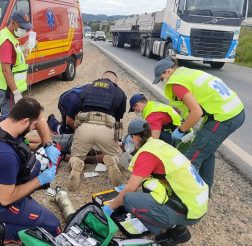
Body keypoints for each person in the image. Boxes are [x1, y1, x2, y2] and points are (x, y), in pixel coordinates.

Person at [102, 118, 209, 246]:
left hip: (189, 210)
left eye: (130, 137)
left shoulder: (147, 153)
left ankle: (171, 230)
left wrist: (110, 207)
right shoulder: (158, 144)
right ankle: (170, 216)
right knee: (147, 184)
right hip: (198, 202)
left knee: (129, 199)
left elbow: (131, 188)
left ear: (135, 137)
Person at [153, 58, 245, 190]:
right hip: (234, 110)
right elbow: (189, 106)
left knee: (192, 157)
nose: (164, 82)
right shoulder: (186, 73)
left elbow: (196, 112)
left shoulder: (177, 83)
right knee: (207, 151)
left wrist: (181, 130)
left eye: (162, 78)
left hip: (224, 117)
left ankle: (186, 198)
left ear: (168, 71)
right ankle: (205, 192)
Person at [0, 98, 61, 245]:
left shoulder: (6, 121)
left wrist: (48, 143)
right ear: (25, 121)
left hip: (8, 184)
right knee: (53, 227)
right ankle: (2, 230)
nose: (34, 128)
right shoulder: (5, 155)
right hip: (3, 205)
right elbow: (6, 198)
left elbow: (40, 118)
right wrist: (40, 180)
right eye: (33, 125)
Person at [67, 71, 127, 191]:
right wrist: (117, 140)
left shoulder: (87, 88)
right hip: (106, 129)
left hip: (84, 127)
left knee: (75, 156)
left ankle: (77, 164)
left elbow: (73, 107)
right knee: (118, 157)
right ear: (115, 82)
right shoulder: (119, 92)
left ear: (101, 78)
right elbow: (118, 120)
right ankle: (113, 160)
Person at [0, 10, 32, 116]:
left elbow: (13, 59)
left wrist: (23, 50)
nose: (25, 30)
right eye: (22, 27)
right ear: (13, 23)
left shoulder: (9, 35)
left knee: (13, 121)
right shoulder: (7, 41)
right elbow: (6, 70)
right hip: (9, 90)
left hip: (11, 88)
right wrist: (15, 93)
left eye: (27, 28)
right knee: (9, 121)